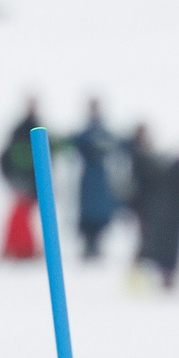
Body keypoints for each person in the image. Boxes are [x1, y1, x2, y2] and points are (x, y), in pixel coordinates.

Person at [127, 127, 179, 288]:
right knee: (150, 247)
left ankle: (139, 280)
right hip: (158, 213)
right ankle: (137, 281)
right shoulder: (146, 162)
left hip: (154, 212)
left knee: (147, 246)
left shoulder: (149, 162)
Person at [70, 100, 121, 259]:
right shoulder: (87, 134)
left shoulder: (104, 133)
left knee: (98, 214)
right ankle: (89, 244)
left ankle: (95, 245)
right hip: (89, 178)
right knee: (89, 214)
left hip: (99, 178)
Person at [0, 98, 43, 260]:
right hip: (23, 181)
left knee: (23, 216)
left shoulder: (38, 129)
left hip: (32, 182)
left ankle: (23, 249)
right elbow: (5, 157)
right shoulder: (20, 131)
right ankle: (19, 249)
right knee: (19, 216)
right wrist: (12, 178)